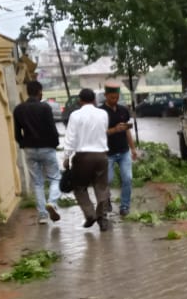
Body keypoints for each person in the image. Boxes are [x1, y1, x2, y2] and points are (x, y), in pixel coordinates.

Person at [13, 80, 62, 225]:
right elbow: (52, 129)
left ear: (27, 91)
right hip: (47, 148)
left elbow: (17, 133)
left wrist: (23, 144)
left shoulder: (18, 109)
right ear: (39, 92)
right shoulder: (45, 108)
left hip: (29, 150)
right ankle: (52, 203)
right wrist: (55, 144)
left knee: (37, 183)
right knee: (55, 178)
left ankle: (42, 215)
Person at [63, 88, 112, 231]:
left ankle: (90, 214)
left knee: (79, 187)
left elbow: (70, 137)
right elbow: (104, 131)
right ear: (94, 100)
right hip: (101, 156)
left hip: (82, 157)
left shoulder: (75, 115)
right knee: (101, 187)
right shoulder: (103, 114)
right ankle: (102, 218)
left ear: (80, 100)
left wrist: (66, 156)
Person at [99, 81, 137, 217]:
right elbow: (99, 133)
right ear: (106, 95)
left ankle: (125, 206)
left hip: (123, 151)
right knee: (107, 180)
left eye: (116, 97)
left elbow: (127, 131)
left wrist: (133, 149)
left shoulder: (123, 110)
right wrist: (114, 130)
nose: (114, 100)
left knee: (127, 178)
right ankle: (106, 199)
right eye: (111, 97)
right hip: (107, 153)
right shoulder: (101, 112)